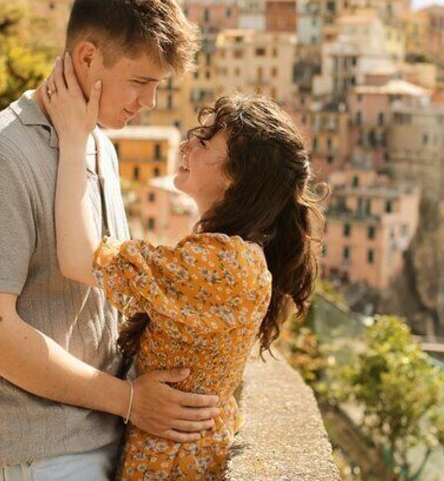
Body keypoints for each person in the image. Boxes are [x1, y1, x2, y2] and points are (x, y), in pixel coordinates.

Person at [0, 0, 220, 480]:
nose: (151, 102)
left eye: (158, 85)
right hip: (44, 453)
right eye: (141, 81)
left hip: (105, 437)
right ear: (88, 57)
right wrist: (129, 400)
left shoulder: (101, 147)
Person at [42, 56, 323, 479]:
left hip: (171, 464)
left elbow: (79, 259)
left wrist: (73, 139)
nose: (187, 146)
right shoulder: (231, 255)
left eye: (205, 142)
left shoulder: (222, 265)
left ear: (237, 178)